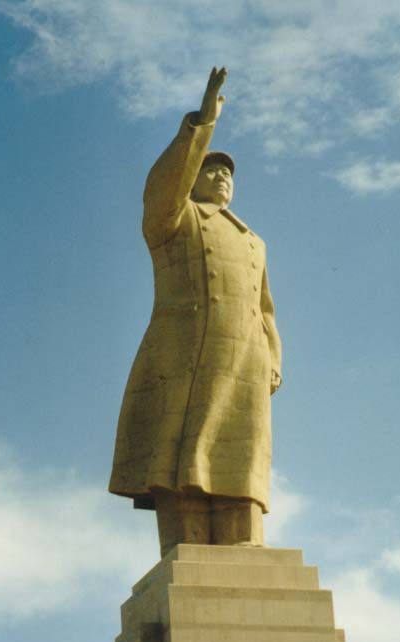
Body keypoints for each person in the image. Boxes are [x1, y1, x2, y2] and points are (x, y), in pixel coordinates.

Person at [109, 68, 282, 557]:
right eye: (211, 169)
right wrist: (202, 124)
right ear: (193, 177)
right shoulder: (176, 219)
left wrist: (273, 355)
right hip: (185, 353)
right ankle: (187, 542)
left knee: (240, 449)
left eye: (228, 173)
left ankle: (243, 537)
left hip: (243, 359)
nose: (222, 176)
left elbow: (264, 308)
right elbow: (163, 188)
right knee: (181, 451)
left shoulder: (253, 241)